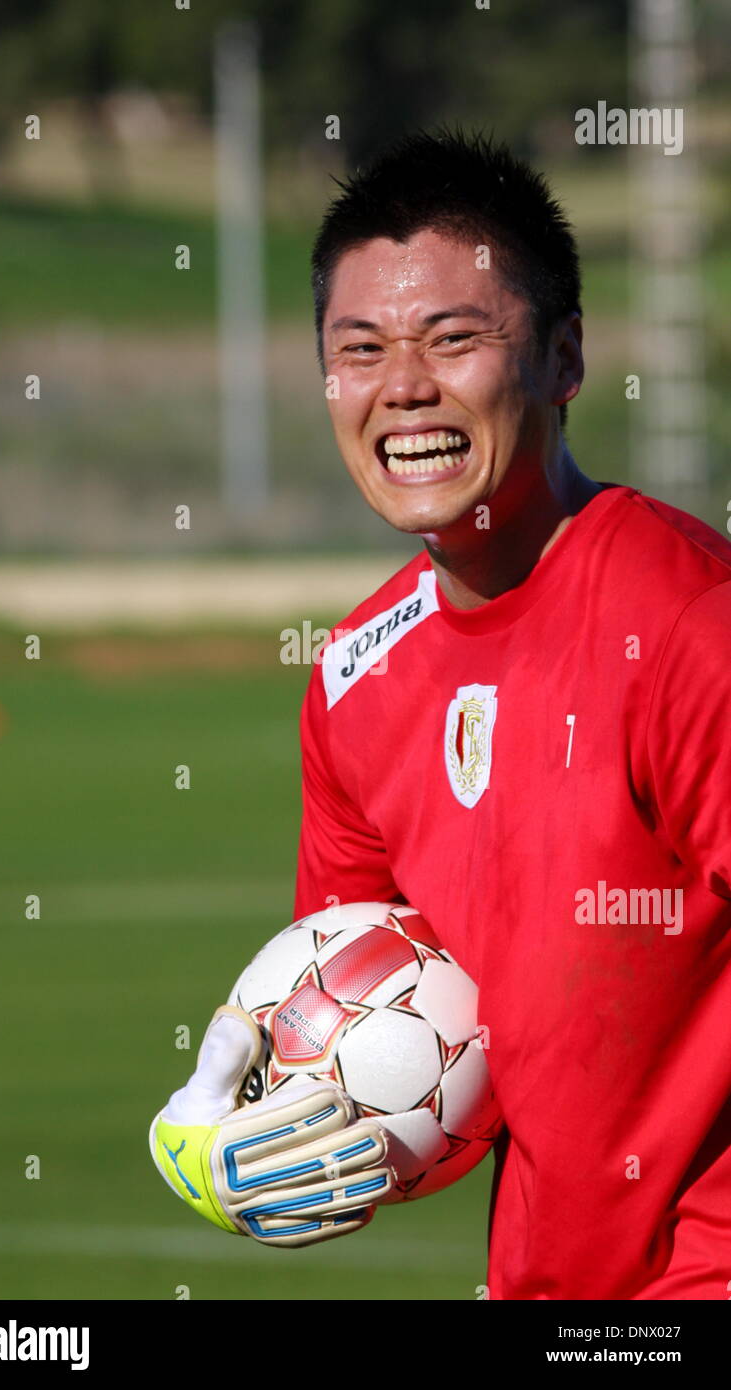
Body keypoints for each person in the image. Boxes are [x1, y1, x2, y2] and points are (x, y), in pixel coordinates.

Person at [150, 129, 731, 1299]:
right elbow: (380, 1032)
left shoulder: (688, 626)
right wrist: (229, 1137)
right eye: (358, 349)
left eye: (454, 338)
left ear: (565, 356)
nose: (403, 386)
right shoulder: (355, 680)